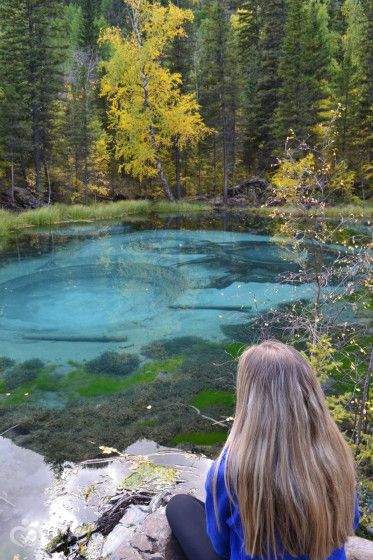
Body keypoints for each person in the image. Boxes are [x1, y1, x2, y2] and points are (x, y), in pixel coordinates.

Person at [166, 340, 360, 560]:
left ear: (250, 400)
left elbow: (220, 546)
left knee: (179, 506)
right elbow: (351, 522)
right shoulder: (337, 457)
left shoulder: (230, 471)